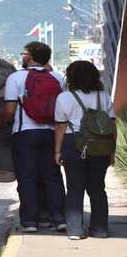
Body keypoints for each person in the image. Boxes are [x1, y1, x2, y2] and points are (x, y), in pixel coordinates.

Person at [0, 41, 66, 232]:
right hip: (52, 133)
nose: (23, 56)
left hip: (25, 134)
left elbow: (9, 109)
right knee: (52, 177)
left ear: (29, 57)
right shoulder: (57, 77)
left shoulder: (16, 78)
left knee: (27, 178)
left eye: (24, 53)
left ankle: (30, 222)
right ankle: (57, 218)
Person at [54, 60, 115, 240]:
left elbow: (60, 127)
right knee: (98, 188)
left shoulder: (64, 97)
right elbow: (112, 126)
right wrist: (111, 151)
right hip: (101, 145)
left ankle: (75, 230)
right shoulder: (103, 96)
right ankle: (100, 229)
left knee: (74, 188)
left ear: (70, 77)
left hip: (74, 143)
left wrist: (57, 151)